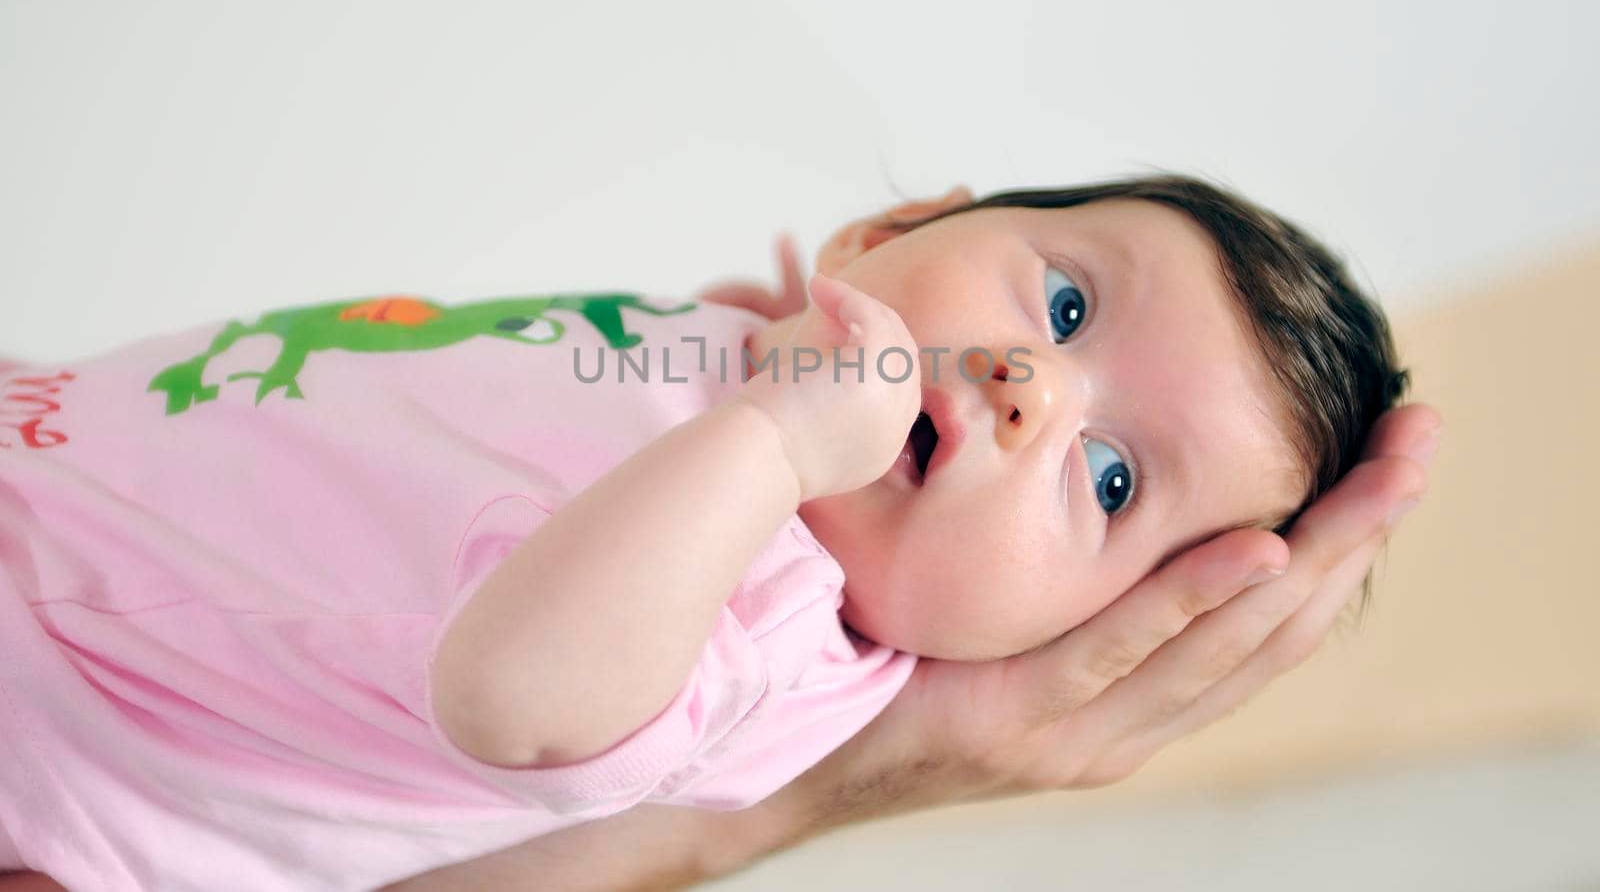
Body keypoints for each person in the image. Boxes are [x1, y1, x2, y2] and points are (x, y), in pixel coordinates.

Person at [0, 175, 1438, 890]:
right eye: (1062, 305)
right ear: (891, 230)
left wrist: (769, 450)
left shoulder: (768, 641)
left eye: (1113, 481)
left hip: (46, 728)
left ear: (1058, 639)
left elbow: (515, 701)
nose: (1034, 389)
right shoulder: (747, 371)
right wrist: (740, 396)